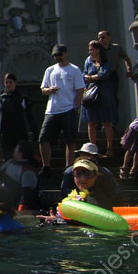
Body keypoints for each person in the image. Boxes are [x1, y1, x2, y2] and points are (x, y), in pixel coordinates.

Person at [38, 44, 85, 177]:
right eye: (55, 55)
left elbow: (80, 90)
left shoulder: (74, 70)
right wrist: (50, 90)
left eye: (59, 54)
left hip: (68, 108)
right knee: (43, 138)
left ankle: (68, 167)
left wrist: (76, 106)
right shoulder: (50, 70)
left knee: (70, 140)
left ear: (65, 53)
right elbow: (43, 89)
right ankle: (46, 166)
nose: (57, 57)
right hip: (52, 109)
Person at [39, 156, 122, 224]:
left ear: (95, 176)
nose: (83, 178)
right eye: (78, 174)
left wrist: (56, 221)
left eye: (88, 174)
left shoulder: (98, 199)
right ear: (73, 176)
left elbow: (90, 223)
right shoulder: (77, 196)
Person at [0, 72, 38, 160]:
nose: (8, 85)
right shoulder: (0, 99)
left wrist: (34, 131)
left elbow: (29, 116)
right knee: (7, 157)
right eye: (6, 82)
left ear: (15, 83)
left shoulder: (22, 98)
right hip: (6, 133)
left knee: (21, 156)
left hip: (20, 132)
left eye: (10, 82)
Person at [82, 39, 115, 157]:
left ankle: (109, 148)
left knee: (107, 122)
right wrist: (91, 77)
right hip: (91, 93)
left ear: (98, 49)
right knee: (91, 122)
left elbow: (104, 74)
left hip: (104, 93)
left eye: (91, 49)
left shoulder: (106, 62)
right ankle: (92, 148)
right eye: (89, 50)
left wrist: (91, 77)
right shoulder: (88, 61)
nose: (90, 52)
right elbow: (84, 74)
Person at [97, 30, 132, 125]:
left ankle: (113, 122)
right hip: (100, 76)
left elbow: (126, 58)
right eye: (99, 38)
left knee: (113, 98)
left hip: (112, 75)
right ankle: (102, 122)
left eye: (103, 37)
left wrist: (129, 69)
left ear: (108, 37)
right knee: (100, 99)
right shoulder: (98, 49)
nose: (101, 40)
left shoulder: (116, 48)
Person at [0, 141, 41, 212]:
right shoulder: (10, 162)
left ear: (20, 153)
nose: (14, 149)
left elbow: (27, 193)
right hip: (6, 200)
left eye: (16, 148)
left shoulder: (28, 171)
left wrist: (21, 209)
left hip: (17, 204)